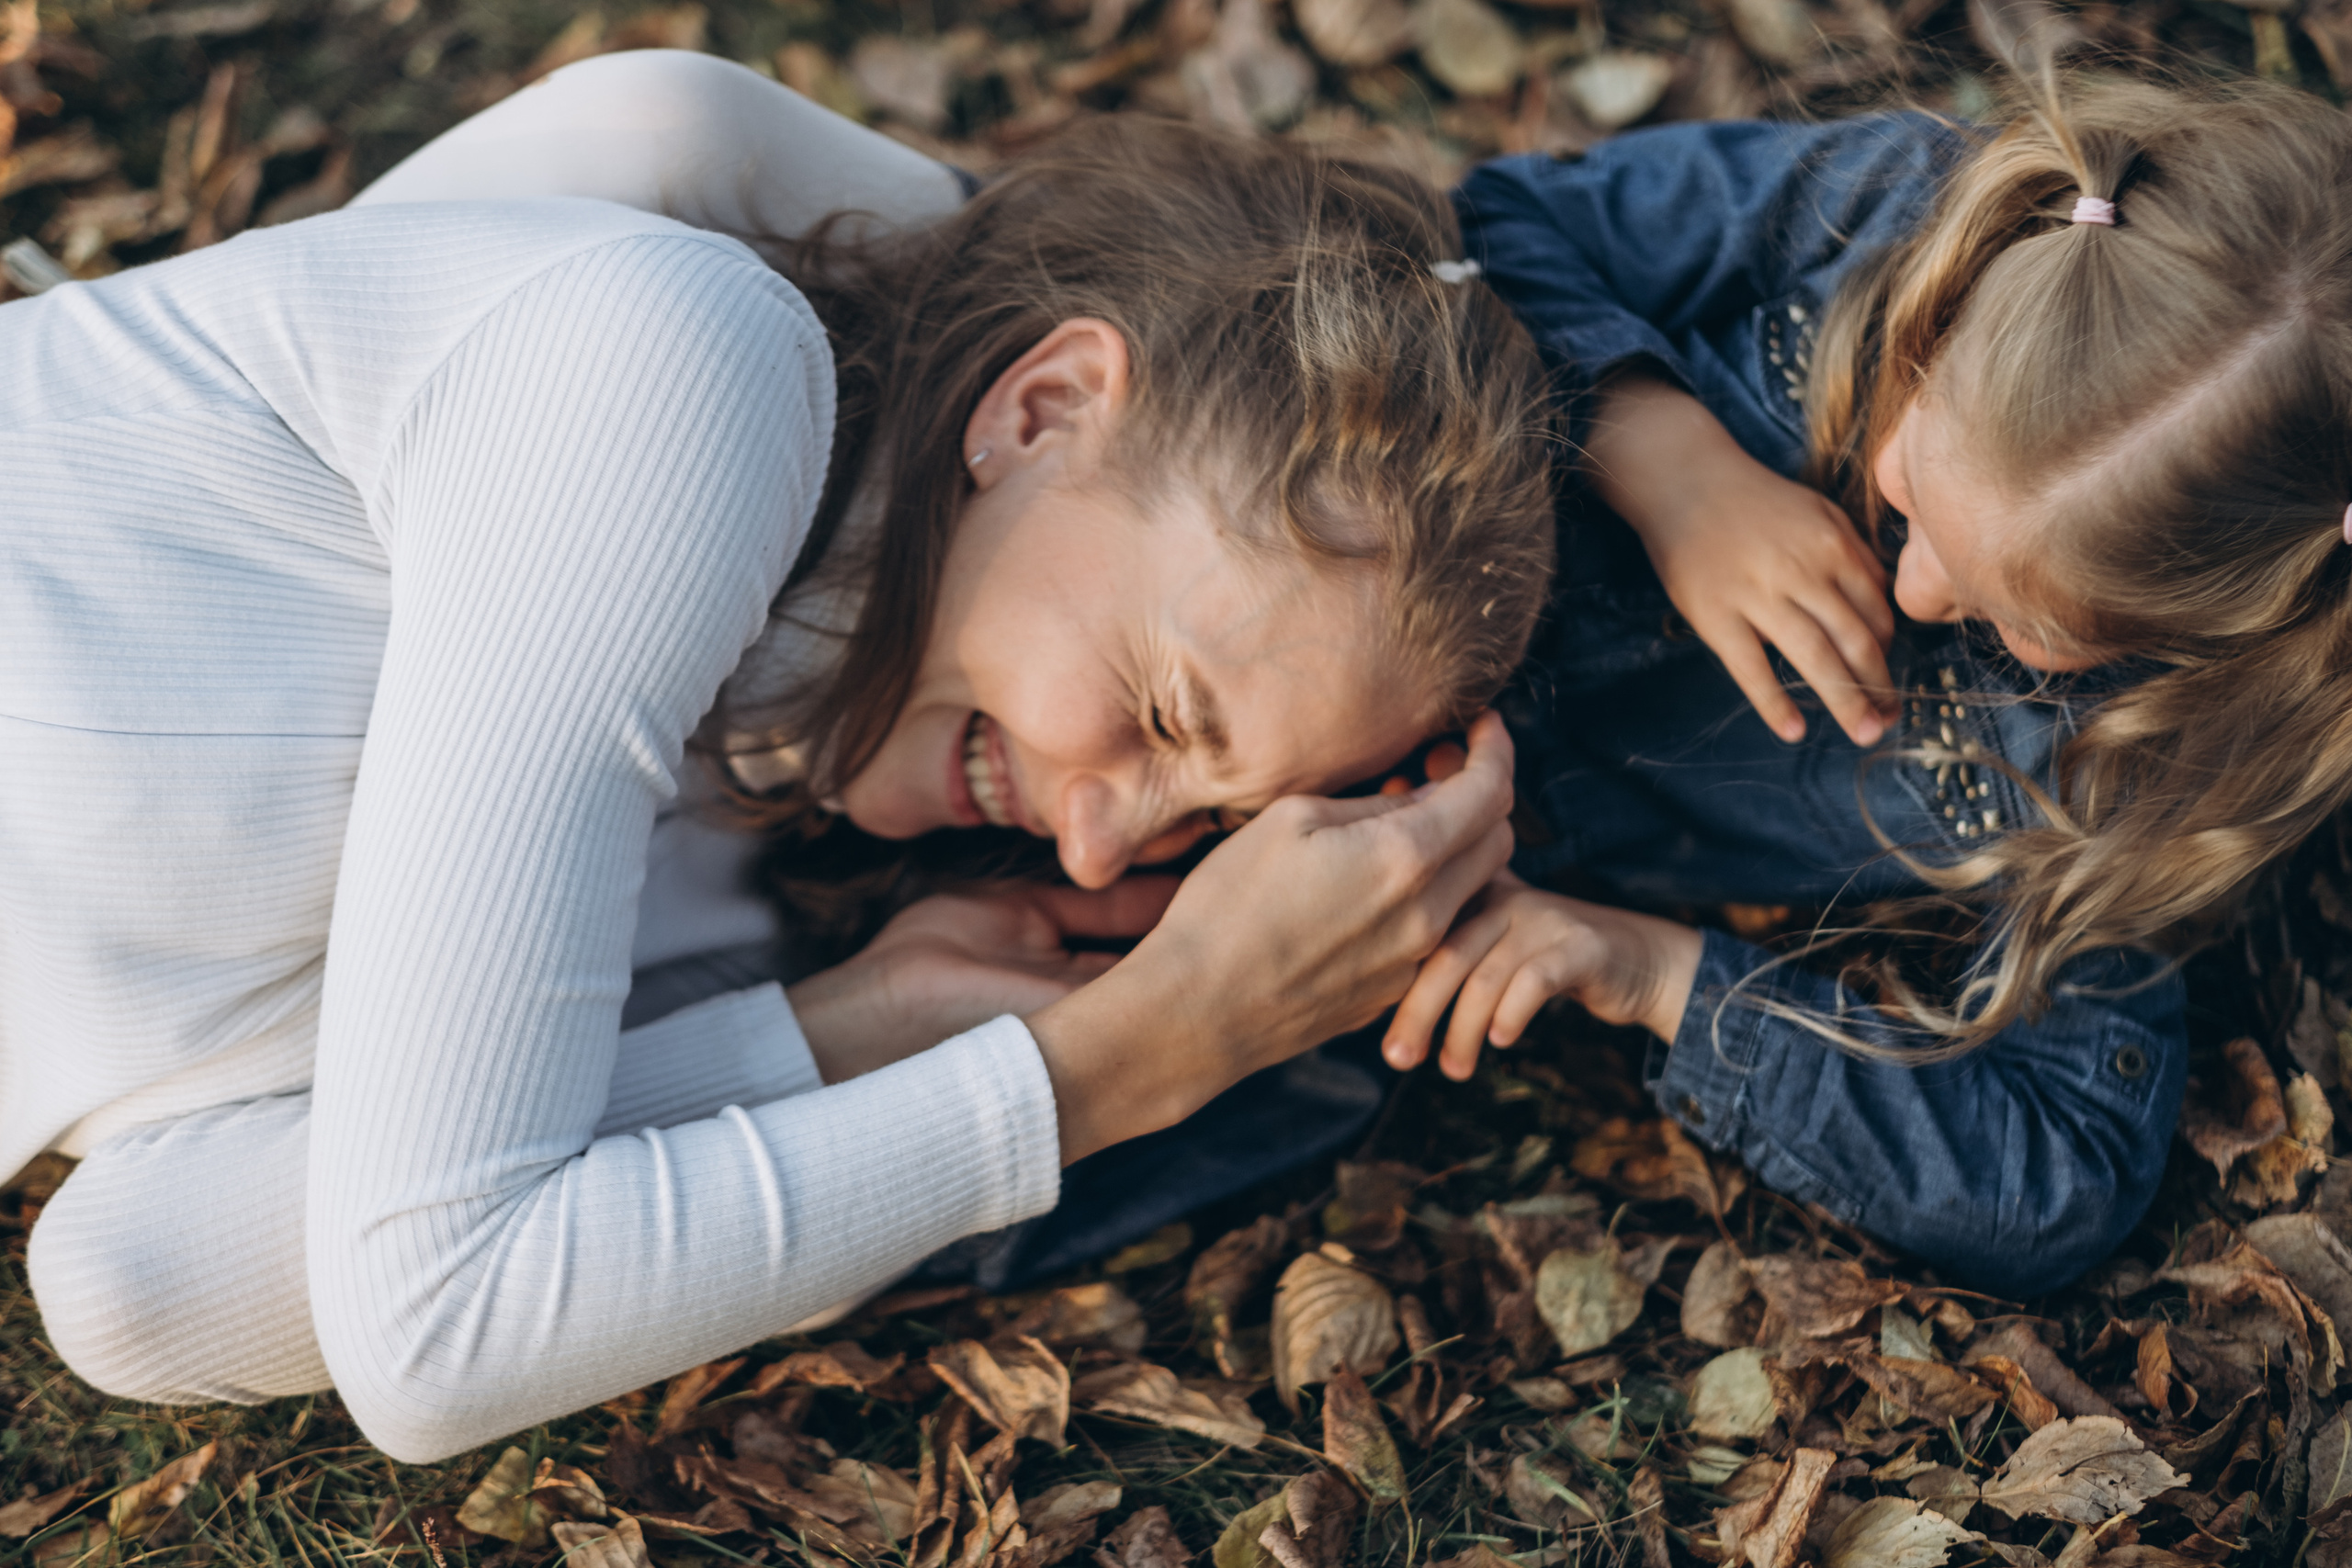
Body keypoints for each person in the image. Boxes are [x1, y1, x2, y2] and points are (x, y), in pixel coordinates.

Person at [2, 64, 1555, 1461]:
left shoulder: (698, 894)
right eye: (1162, 713)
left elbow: (143, 1285)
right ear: (1046, 404)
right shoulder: (674, 363)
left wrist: (843, 1031)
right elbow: (440, 1338)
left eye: (1204, 817)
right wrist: (1138, 1056)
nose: (1098, 851)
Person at [1380, 65, 2352, 1295]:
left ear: (2210, 630)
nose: (1918, 592)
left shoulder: (2148, 760)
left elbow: (2058, 1180)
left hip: (1428, 888)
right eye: (1911, 491)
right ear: (1952, 306)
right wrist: (1665, 458)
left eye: (2022, 623)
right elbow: (1486, 232)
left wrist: (1650, 973)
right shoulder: (1894, 209)